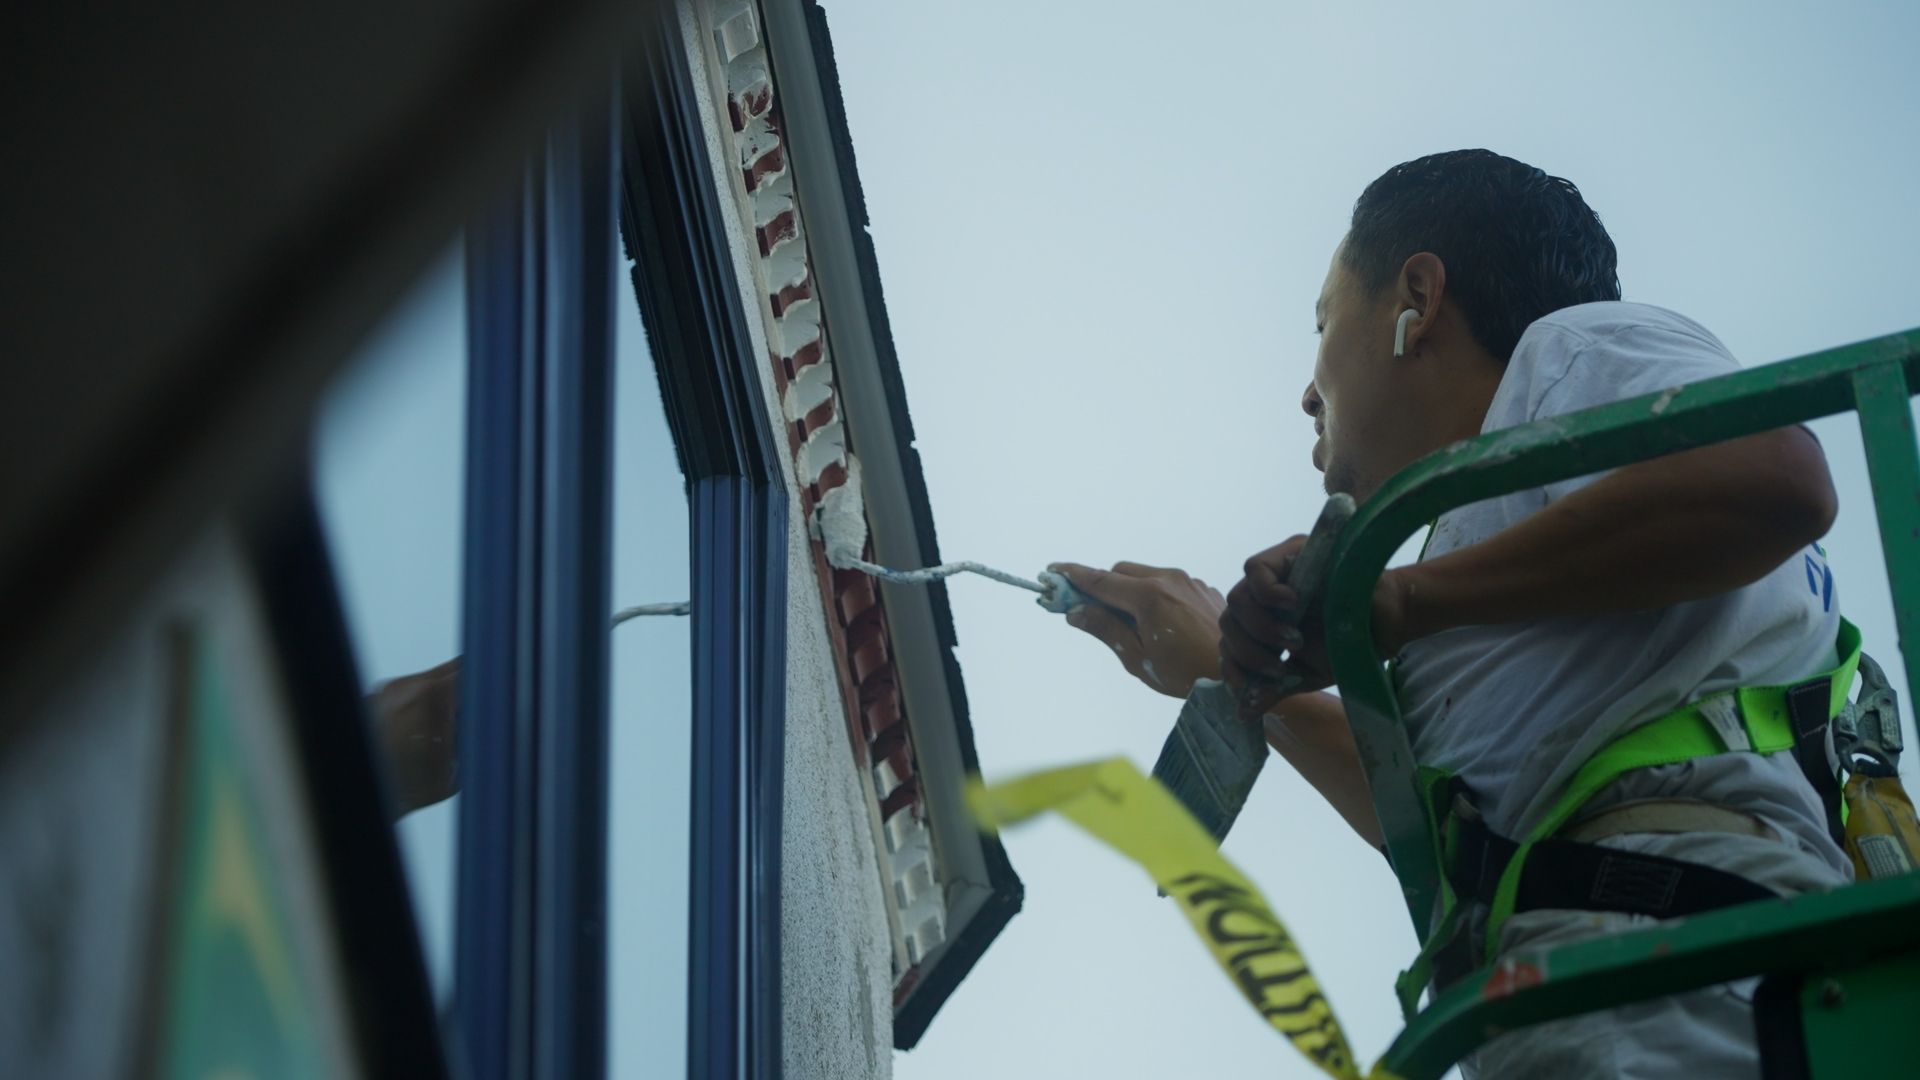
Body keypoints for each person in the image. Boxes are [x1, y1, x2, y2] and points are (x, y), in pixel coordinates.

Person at [1052, 149, 1849, 1078]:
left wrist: (1388, 605)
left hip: (1672, 959)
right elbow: (1437, 824)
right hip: (1632, 963)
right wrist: (1242, 681)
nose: (1308, 392)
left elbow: (1778, 479)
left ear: (1416, 301)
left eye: (1322, 323)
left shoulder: (1575, 352)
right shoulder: (1513, 551)